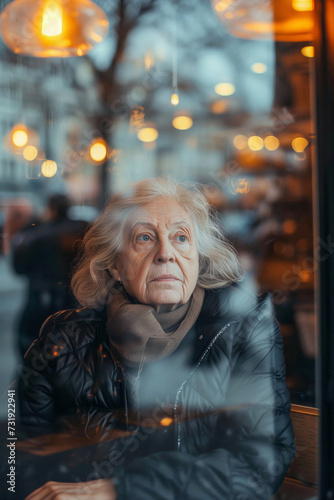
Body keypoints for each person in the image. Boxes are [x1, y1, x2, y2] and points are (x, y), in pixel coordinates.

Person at [18, 178, 295, 500]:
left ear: (198, 257)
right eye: (145, 238)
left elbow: (259, 464)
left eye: (180, 238)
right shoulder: (63, 340)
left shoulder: (243, 329)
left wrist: (122, 489)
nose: (166, 253)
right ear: (116, 265)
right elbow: (15, 454)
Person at [11, 194, 87, 357]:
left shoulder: (37, 235)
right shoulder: (83, 231)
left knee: (32, 347)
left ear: (51, 209)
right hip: (73, 300)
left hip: (40, 300)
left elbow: (19, 268)